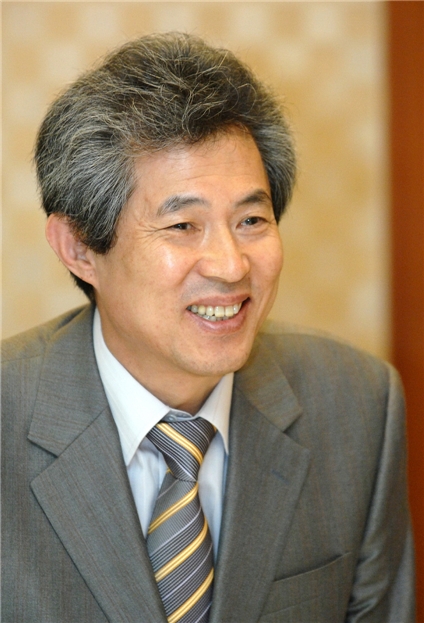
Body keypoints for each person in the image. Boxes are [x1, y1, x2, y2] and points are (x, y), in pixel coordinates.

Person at [2, 32, 415, 623]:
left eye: (251, 220)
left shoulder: (357, 405)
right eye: (182, 226)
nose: (230, 266)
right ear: (79, 248)